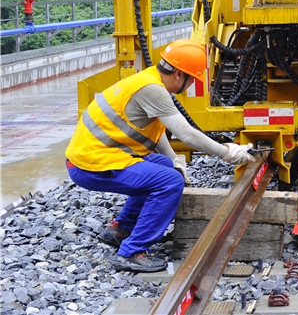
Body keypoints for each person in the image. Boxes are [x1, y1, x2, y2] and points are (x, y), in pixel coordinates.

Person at [65, 39, 255, 272]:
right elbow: (186, 133)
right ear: (178, 74)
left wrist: (174, 159)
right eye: (191, 79)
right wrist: (228, 153)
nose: (189, 85)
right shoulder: (153, 90)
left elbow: (156, 131)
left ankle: (121, 228)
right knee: (169, 181)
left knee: (165, 166)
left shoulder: (148, 79)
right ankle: (132, 251)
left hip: (96, 157)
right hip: (90, 165)